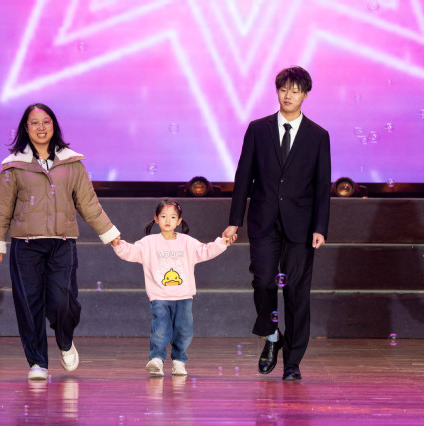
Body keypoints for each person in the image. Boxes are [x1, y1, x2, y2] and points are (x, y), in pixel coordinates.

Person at [0, 103, 120, 381]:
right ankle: (38, 362)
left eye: (46, 122)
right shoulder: (13, 164)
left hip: (62, 243)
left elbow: (88, 203)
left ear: (54, 126)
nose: (41, 127)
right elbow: (2, 208)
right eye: (34, 123)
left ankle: (64, 339)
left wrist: (109, 232)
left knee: (63, 301)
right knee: (29, 304)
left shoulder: (72, 163)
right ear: (26, 128)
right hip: (26, 245)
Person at [222, 66, 331, 381]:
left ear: (305, 95)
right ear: (277, 91)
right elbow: (244, 176)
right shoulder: (258, 129)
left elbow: (322, 186)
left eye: (295, 91)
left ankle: (293, 363)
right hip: (263, 221)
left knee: (297, 293)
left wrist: (320, 227)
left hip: (301, 225)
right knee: (263, 282)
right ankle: (272, 336)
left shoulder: (318, 135)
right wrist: (234, 221)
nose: (288, 96)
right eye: (284, 89)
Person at [110, 200, 230, 377]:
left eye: (173, 217)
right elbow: (133, 252)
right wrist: (118, 245)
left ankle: (179, 361)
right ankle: (157, 359)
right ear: (156, 219)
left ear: (179, 220)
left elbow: (205, 250)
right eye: (164, 216)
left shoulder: (187, 242)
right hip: (159, 295)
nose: (168, 220)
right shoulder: (149, 242)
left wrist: (222, 243)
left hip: (184, 296)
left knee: (184, 330)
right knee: (160, 327)